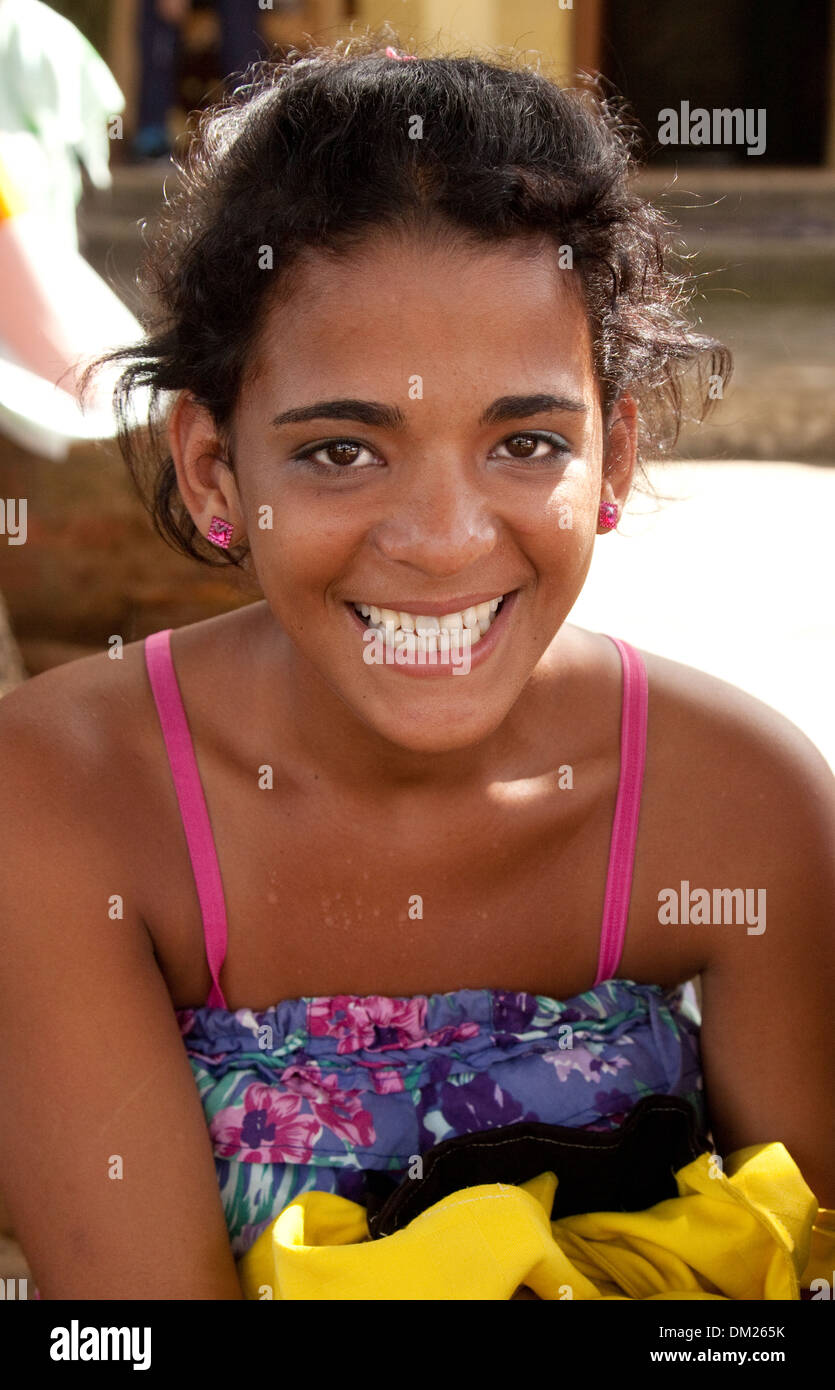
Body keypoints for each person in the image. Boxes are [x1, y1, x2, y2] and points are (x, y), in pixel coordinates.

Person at [0, 32, 832, 1301]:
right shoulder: (60, 802)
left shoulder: (745, 805)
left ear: (612, 459)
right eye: (342, 451)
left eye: (528, 442)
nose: (445, 541)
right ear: (215, 469)